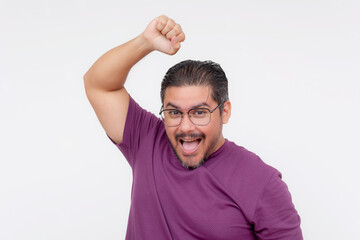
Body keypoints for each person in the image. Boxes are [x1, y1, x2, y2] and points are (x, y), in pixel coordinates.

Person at [84, 15, 303, 240]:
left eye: (199, 112)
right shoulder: (148, 140)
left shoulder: (262, 183)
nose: (185, 127)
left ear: (224, 111)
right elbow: (99, 85)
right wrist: (145, 42)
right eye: (174, 112)